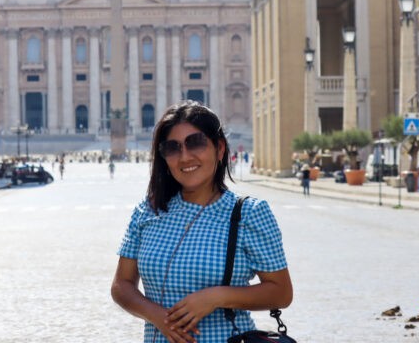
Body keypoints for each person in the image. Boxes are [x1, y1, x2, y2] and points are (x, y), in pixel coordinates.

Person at [111, 101, 292, 343]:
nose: (185, 157)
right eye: (172, 148)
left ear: (219, 149)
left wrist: (217, 297)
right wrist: (158, 317)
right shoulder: (147, 211)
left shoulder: (249, 213)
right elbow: (121, 284)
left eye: (195, 143)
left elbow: (281, 292)